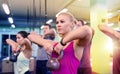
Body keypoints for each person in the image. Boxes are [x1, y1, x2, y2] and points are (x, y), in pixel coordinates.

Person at [28, 12, 93, 74]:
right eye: (57, 22)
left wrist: (62, 43)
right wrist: (44, 43)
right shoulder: (55, 44)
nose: (58, 25)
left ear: (72, 24)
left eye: (62, 22)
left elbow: (87, 30)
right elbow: (30, 36)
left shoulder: (76, 44)